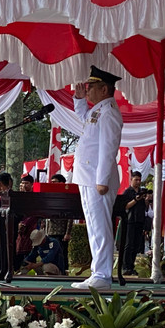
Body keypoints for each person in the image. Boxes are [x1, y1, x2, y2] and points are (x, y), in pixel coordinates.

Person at [70, 66, 123, 290]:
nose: (87, 89)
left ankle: (102, 275)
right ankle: (98, 273)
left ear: (104, 89)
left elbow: (108, 148)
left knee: (99, 226)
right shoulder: (99, 110)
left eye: (91, 86)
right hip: (89, 176)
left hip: (96, 178)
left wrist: (102, 179)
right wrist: (80, 100)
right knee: (93, 224)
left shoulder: (109, 111)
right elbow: (84, 119)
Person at [45, 173, 73, 272]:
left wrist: (68, 232)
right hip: (51, 231)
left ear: (61, 183)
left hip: (61, 231)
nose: (52, 184)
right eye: (51, 182)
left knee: (62, 253)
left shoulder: (67, 197)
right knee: (52, 253)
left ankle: (64, 271)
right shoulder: (50, 195)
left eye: (54, 182)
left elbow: (70, 217)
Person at [122, 171, 147, 276]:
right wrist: (135, 200)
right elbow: (125, 206)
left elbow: (144, 207)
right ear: (131, 179)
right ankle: (125, 266)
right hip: (130, 220)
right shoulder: (128, 192)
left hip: (140, 220)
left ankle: (131, 266)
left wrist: (144, 199)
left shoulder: (140, 191)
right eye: (136, 179)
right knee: (129, 244)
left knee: (137, 245)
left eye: (139, 180)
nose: (138, 182)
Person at [14, 174, 38, 270]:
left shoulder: (35, 197)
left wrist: (25, 223)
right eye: (23, 183)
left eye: (27, 183)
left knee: (30, 248)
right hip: (20, 228)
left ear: (32, 184)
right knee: (18, 248)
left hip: (31, 226)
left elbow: (35, 213)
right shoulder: (19, 196)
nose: (24, 185)